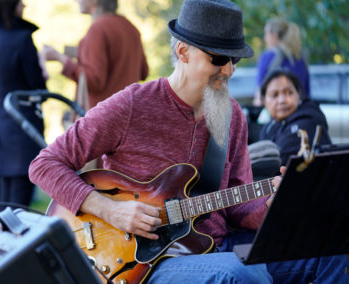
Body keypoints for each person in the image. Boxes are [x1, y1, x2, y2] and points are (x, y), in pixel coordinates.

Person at [29, 0, 348, 283]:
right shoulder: (131, 105)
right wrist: (111, 210)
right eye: (219, 58)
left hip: (219, 246)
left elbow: (238, 205)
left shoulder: (232, 114)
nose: (228, 70)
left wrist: (272, 204)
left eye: (235, 60)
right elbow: (44, 165)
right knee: (236, 273)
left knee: (337, 251)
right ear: (182, 51)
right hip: (151, 263)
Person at [0, 0, 47, 206]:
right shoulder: (22, 39)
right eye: (20, 3)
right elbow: (38, 89)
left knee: (5, 207)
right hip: (23, 132)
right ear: (10, 7)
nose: (24, 6)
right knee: (19, 210)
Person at [40, 0, 149, 110]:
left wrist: (61, 59)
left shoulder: (98, 28)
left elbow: (94, 81)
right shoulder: (130, 27)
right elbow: (143, 72)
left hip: (103, 116)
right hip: (129, 112)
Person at [259, 69, 331, 166]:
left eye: (289, 93)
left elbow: (276, 162)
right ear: (264, 101)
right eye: (274, 95)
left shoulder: (308, 121)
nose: (282, 100)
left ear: (298, 94)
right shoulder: (269, 126)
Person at [253, 18, 310, 106]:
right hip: (299, 111)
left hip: (276, 111)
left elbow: (259, 97)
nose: (265, 38)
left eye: (266, 33)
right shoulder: (300, 58)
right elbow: (306, 92)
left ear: (274, 35)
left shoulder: (267, 57)